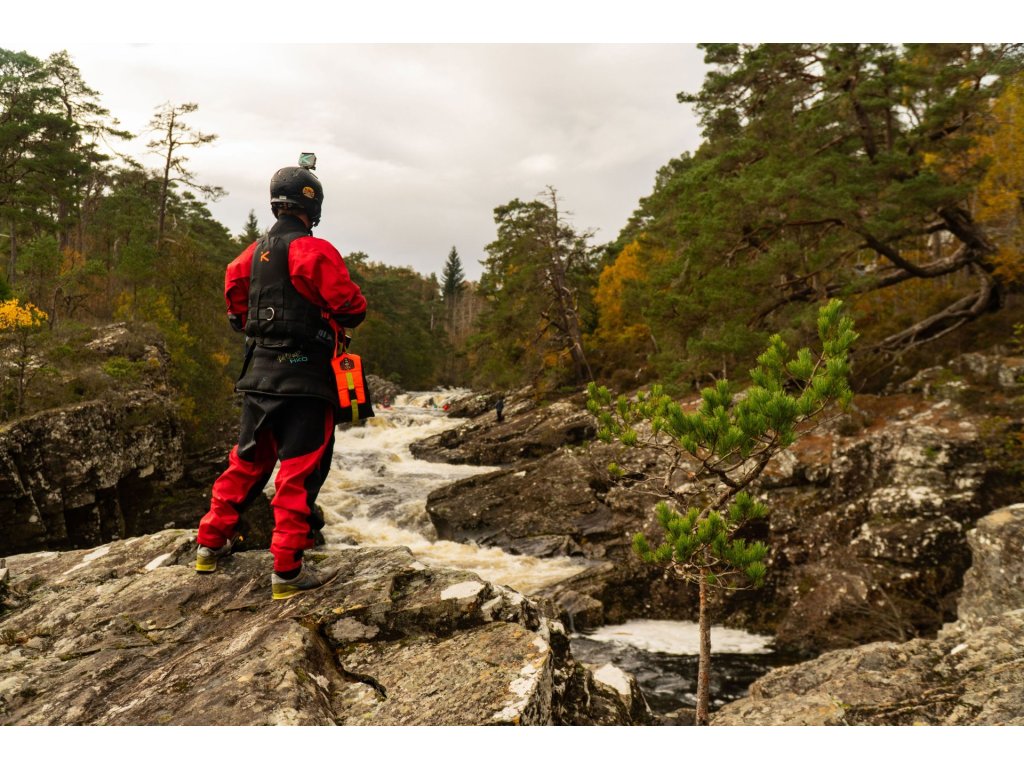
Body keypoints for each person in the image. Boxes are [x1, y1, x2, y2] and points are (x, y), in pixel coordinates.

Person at [194, 157, 367, 600]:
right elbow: (352, 307)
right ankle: (287, 572)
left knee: (246, 462)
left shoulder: (246, 258)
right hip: (306, 380)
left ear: (276, 205)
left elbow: (237, 315)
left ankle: (209, 545)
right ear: (313, 208)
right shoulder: (315, 251)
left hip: (258, 378)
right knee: (299, 472)